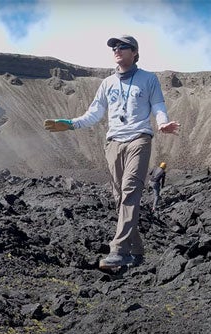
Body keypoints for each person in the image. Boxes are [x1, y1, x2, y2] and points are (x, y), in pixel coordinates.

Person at [44, 35, 180, 270]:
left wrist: (162, 123)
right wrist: (70, 123)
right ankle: (136, 251)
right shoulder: (107, 83)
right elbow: (94, 114)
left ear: (135, 52)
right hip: (113, 144)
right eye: (114, 47)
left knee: (129, 190)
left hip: (139, 139)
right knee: (121, 199)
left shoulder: (148, 79)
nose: (117, 50)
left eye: (122, 47)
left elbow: (158, 105)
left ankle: (117, 251)